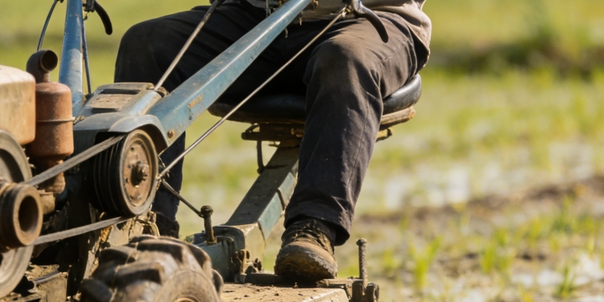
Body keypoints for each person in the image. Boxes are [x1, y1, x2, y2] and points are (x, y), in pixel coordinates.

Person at [115, 0, 431, 282]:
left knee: (344, 59)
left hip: (366, 18)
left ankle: (314, 227)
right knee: (146, 45)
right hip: (258, 19)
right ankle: (147, 225)